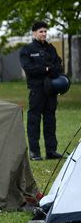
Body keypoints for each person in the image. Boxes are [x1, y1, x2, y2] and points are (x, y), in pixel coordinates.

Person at [19, 21, 65, 161]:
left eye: (45, 31)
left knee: (50, 120)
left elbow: (58, 65)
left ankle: (51, 151)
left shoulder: (51, 48)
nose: (44, 34)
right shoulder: (27, 50)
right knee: (34, 120)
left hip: (51, 90)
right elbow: (29, 69)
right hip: (37, 90)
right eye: (41, 31)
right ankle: (34, 152)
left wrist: (48, 69)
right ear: (34, 33)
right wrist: (45, 69)